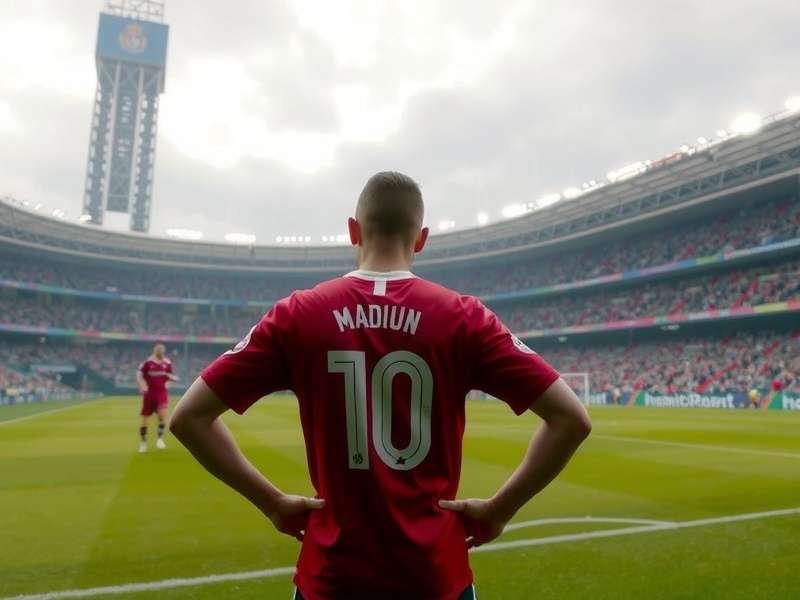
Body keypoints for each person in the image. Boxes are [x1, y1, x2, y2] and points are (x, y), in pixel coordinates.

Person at [170, 172, 592, 600]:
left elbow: (189, 419)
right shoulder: (465, 318)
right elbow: (571, 419)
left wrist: (273, 503)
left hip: (332, 576)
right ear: (421, 238)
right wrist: (500, 510)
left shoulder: (297, 314)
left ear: (353, 230)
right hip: (434, 575)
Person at [137, 343, 179, 453]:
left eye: (162, 350)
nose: (160, 351)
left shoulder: (167, 363)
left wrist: (171, 381)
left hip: (161, 394)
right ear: (155, 351)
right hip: (149, 394)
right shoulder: (148, 362)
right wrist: (142, 386)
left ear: (164, 351)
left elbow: (169, 376)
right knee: (145, 420)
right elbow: (139, 374)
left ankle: (160, 439)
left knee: (162, 416)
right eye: (159, 350)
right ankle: (143, 442)